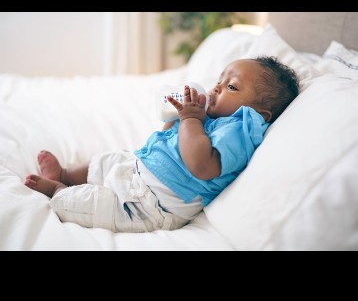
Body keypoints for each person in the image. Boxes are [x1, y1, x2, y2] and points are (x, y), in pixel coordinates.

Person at [24, 56, 299, 233]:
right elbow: (171, 137)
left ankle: (60, 191)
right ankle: (67, 175)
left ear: (258, 114)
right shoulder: (208, 116)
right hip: (138, 169)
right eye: (219, 81)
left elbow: (201, 165)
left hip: (152, 205)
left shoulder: (240, 129)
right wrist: (176, 117)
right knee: (108, 160)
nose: (215, 88)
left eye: (232, 87)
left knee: (98, 205)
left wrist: (190, 118)